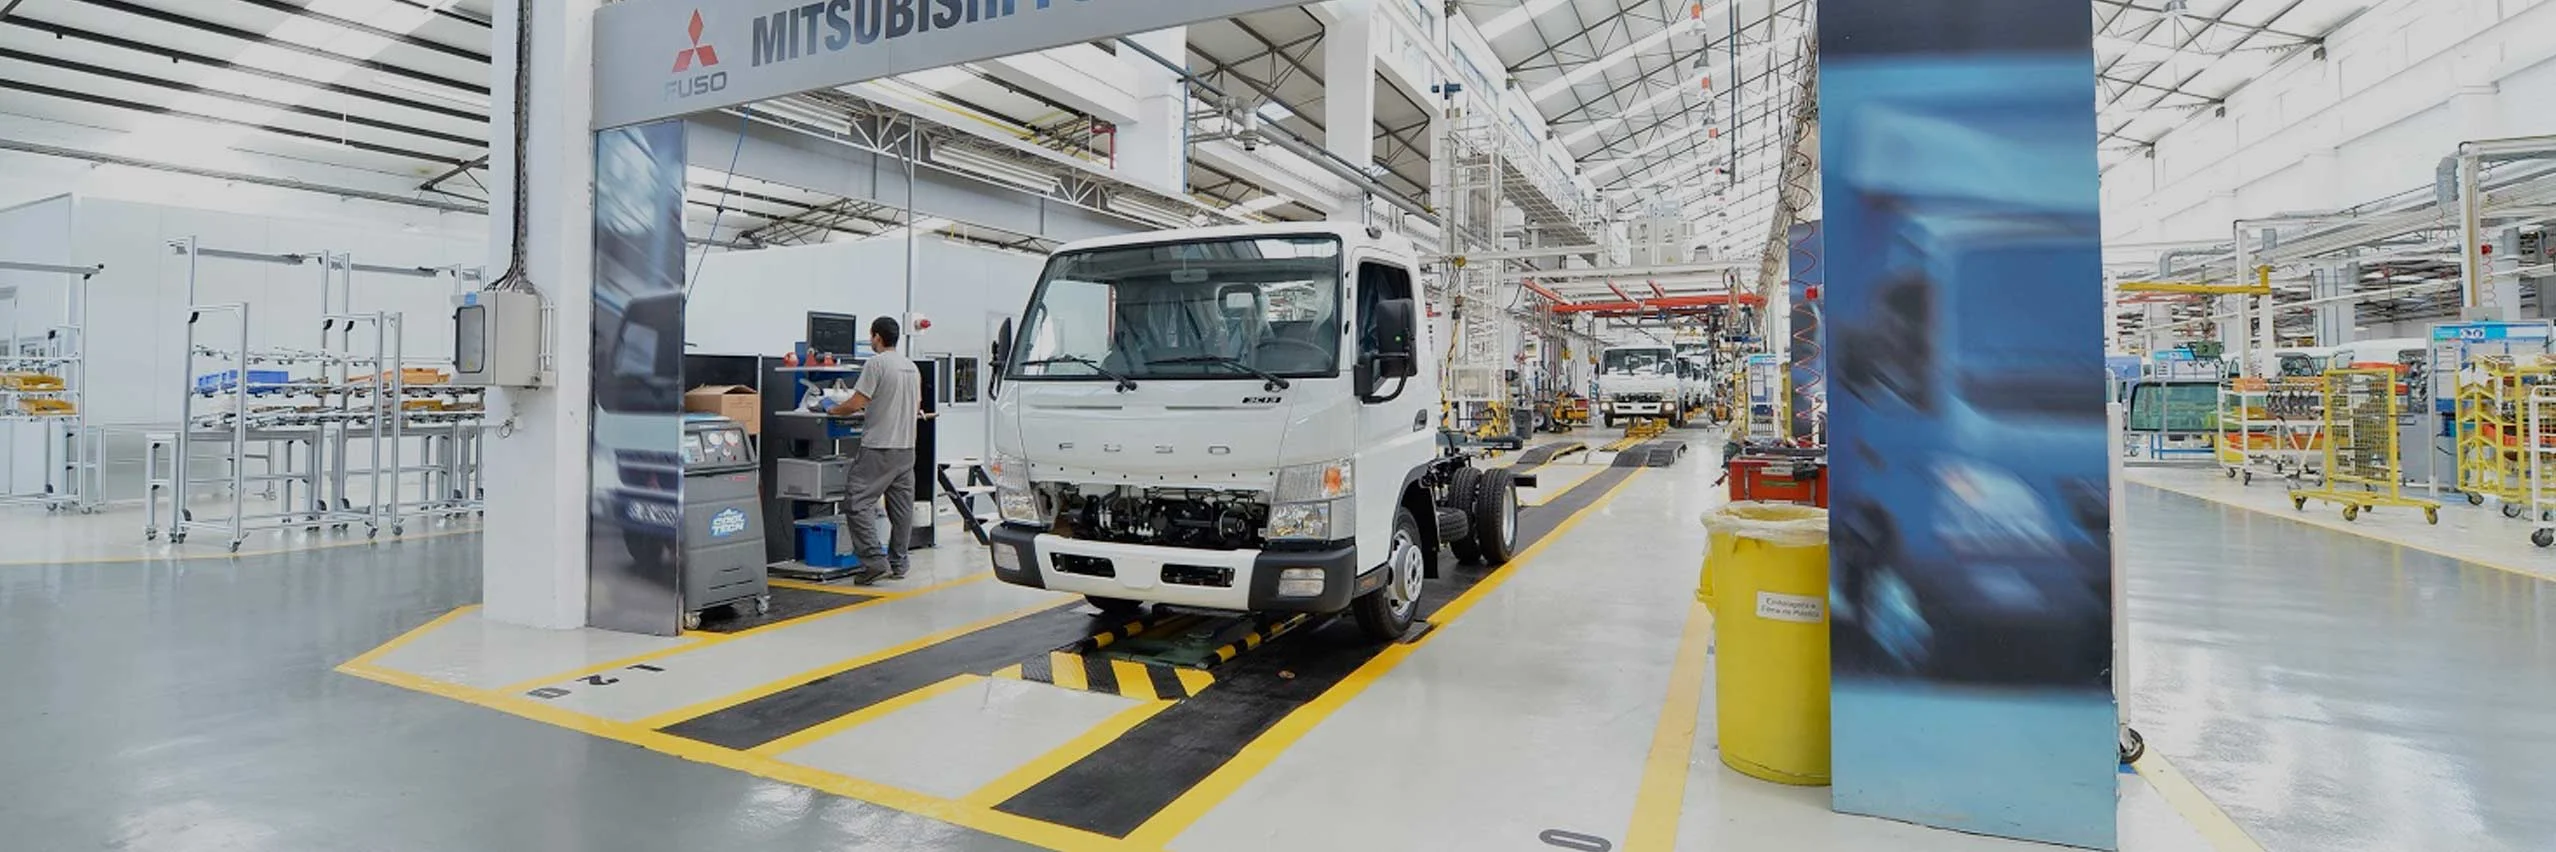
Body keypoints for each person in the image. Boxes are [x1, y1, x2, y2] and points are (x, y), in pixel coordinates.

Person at [814, 316, 930, 584]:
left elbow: (856, 402)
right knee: (901, 508)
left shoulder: (875, 364)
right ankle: (899, 563)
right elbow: (915, 405)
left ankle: (874, 561)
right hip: (906, 448)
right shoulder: (911, 367)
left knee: (856, 502)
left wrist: (830, 408)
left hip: (879, 447)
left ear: (877, 337)